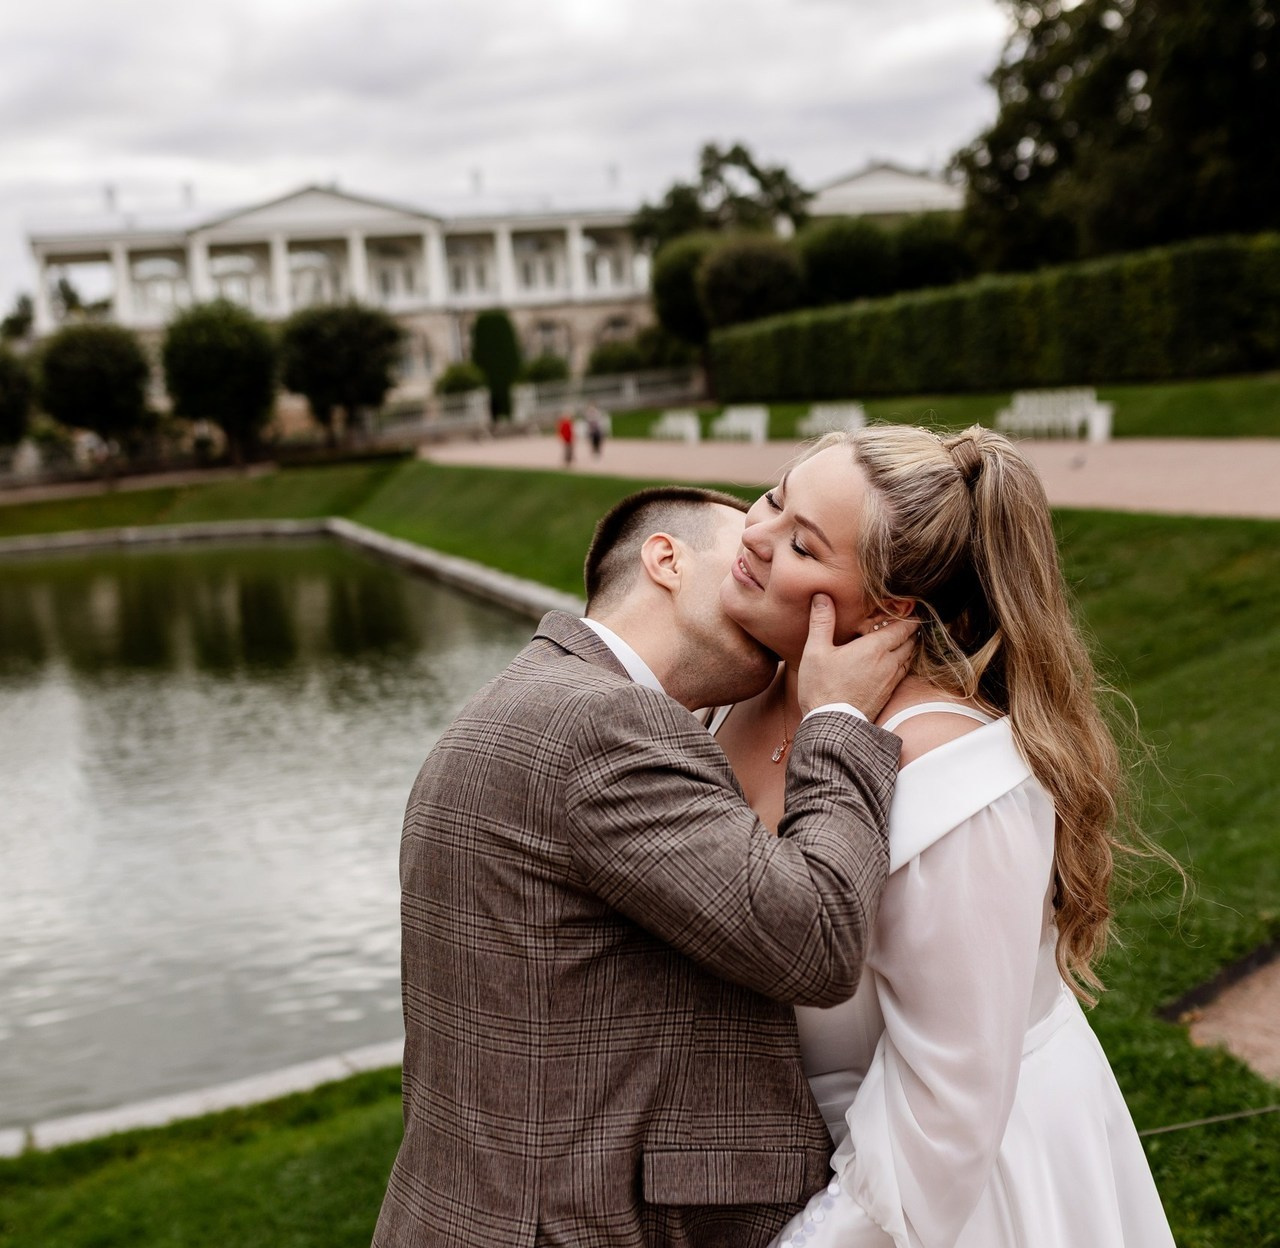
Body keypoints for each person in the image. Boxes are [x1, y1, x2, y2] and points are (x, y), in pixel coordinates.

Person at [372, 486, 918, 1248]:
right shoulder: (603, 723)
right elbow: (817, 937)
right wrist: (837, 721)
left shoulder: (534, 699)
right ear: (666, 560)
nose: (771, 591)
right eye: (748, 564)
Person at [711, 426, 1175, 1248]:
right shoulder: (734, 695)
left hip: (953, 1196)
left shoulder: (958, 783)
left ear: (889, 609)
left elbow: (947, 1113)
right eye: (776, 498)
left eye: (801, 545)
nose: (752, 532)